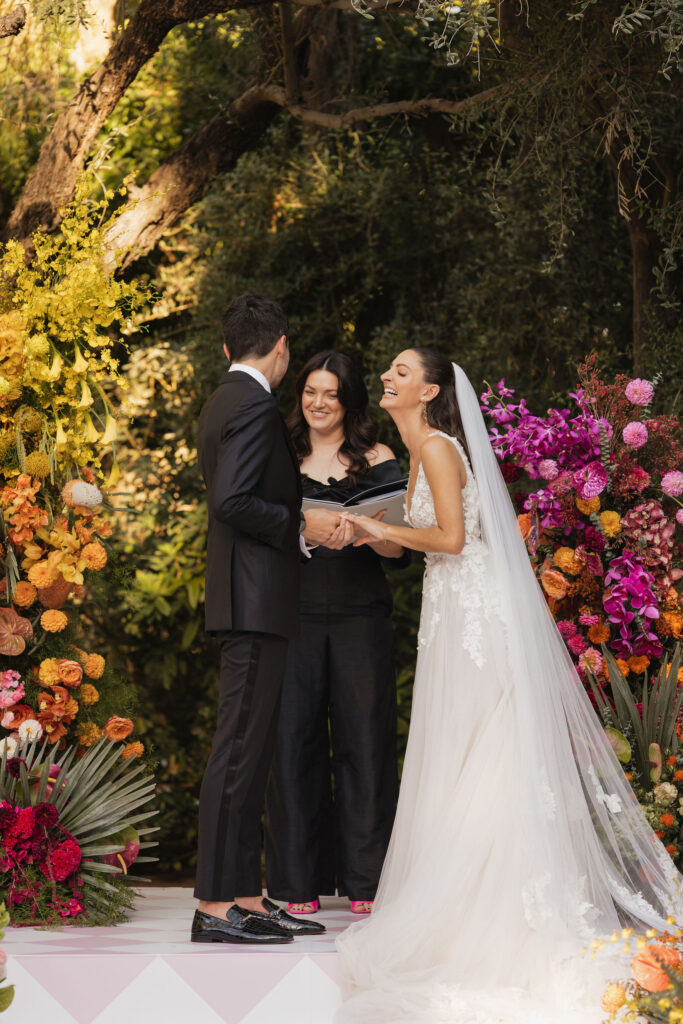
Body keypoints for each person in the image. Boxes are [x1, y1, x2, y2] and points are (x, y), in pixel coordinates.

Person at [335, 348, 683, 1022]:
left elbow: (453, 537)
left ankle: (494, 910)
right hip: (452, 612)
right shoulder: (420, 447)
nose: (387, 377)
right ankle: (466, 899)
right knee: (463, 748)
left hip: (473, 616)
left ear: (429, 389)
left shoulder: (435, 445)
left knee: (484, 746)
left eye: (401, 372)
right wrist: (369, 533)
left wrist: (380, 527)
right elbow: (422, 532)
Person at [192, 294, 347, 945]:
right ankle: (213, 908)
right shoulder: (253, 404)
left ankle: (245, 896)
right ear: (280, 347)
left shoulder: (225, 399)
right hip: (254, 603)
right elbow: (232, 501)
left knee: (247, 754)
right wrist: (300, 523)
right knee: (236, 755)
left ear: (229, 346)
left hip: (250, 599)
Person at [265, 351, 407, 917]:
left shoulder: (378, 457)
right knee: (293, 743)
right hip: (292, 613)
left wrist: (365, 531)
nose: (318, 403)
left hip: (359, 613)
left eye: (331, 394)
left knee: (366, 743)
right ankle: (298, 881)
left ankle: (367, 879)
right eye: (309, 392)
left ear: (349, 401)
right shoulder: (280, 452)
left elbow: (400, 546)